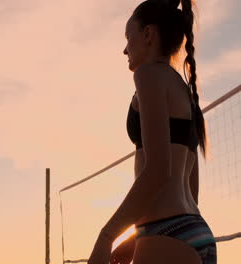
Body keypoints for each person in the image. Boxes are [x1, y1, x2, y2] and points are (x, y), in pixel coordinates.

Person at [88, 0, 217, 263]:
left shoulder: (148, 75)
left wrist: (106, 236)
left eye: (128, 36)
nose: (125, 49)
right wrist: (136, 239)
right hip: (195, 230)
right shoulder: (185, 90)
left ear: (148, 35)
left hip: (165, 230)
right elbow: (191, 190)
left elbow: (158, 169)